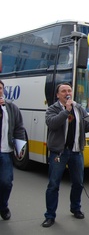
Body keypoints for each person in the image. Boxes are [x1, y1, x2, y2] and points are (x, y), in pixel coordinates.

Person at [42, 83, 89, 228]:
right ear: (58, 95)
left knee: (78, 183)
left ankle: (75, 208)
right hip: (59, 152)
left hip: (76, 151)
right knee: (53, 184)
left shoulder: (79, 108)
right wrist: (66, 110)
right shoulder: (52, 109)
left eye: (69, 90)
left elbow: (86, 127)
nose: (67, 93)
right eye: (63, 91)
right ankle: (50, 215)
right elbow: (52, 124)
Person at [0, 79, 27, 221]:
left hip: (5, 152)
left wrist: (20, 147)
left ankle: (3, 206)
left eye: (0, 88)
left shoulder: (11, 108)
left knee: (6, 182)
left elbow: (19, 128)